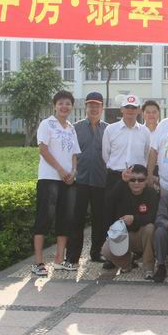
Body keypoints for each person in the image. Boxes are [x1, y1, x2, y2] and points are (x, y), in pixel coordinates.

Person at [31, 90, 81, 276]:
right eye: (60, 103)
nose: (64, 106)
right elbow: (43, 150)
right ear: (54, 106)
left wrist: (73, 172)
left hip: (68, 180)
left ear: (72, 106)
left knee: (65, 219)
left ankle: (59, 260)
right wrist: (60, 170)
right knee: (44, 218)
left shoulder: (71, 128)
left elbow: (74, 154)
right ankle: (38, 263)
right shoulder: (47, 124)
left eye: (68, 103)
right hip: (49, 178)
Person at [66, 92, 107, 266]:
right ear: (86, 107)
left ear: (102, 107)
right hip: (79, 181)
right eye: (91, 105)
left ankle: (97, 252)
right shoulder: (75, 128)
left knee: (100, 220)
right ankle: (73, 256)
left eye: (97, 105)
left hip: (101, 181)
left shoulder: (108, 130)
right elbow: (69, 153)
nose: (94, 108)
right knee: (76, 219)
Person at [100, 164, 158, 280]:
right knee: (106, 250)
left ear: (146, 180)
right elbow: (108, 202)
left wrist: (134, 219)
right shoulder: (121, 190)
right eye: (132, 180)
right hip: (124, 234)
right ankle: (126, 264)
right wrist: (122, 181)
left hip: (143, 235)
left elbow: (153, 216)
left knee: (150, 228)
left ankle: (148, 267)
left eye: (140, 180)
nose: (136, 183)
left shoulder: (151, 193)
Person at [101, 94, 151, 209]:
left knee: (135, 212)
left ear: (139, 110)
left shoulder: (145, 131)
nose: (130, 110)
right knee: (111, 210)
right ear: (121, 109)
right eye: (127, 107)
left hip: (137, 179)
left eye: (134, 107)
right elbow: (106, 154)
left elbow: (146, 154)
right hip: (115, 177)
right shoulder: (110, 129)